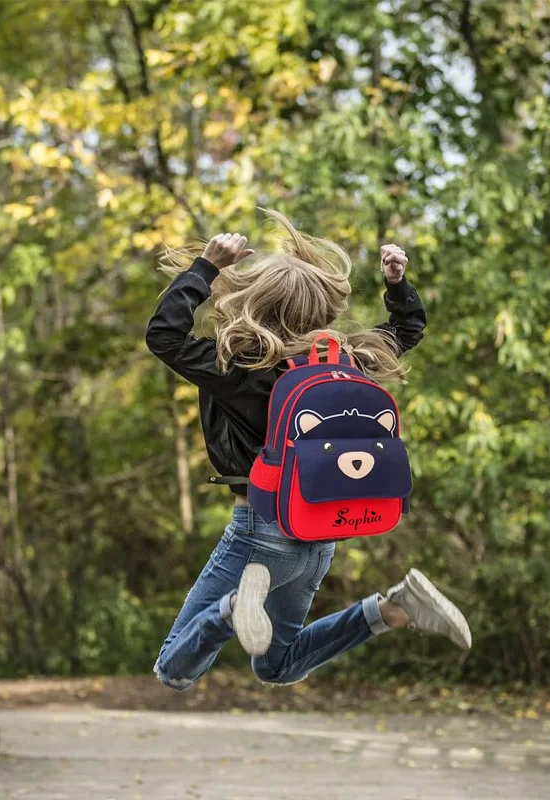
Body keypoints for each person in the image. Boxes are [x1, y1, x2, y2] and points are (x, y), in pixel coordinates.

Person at [146, 211, 470, 692]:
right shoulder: (350, 361)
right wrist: (397, 285)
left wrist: (206, 266)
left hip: (259, 534)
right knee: (278, 666)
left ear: (255, 299)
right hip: (320, 532)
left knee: (173, 669)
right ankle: (392, 608)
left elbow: (164, 336)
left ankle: (234, 608)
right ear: (321, 307)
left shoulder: (238, 364)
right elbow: (407, 331)